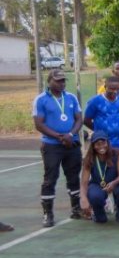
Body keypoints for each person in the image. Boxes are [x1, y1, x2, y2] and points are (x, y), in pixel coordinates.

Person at [32, 69, 83, 227]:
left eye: (63, 80)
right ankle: (48, 213)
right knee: (50, 178)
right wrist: (59, 137)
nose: (62, 83)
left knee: (73, 176)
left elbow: (79, 119)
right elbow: (39, 124)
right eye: (58, 80)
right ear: (49, 82)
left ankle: (76, 208)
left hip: (72, 143)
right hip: (52, 145)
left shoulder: (71, 97)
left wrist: (70, 134)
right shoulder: (41, 99)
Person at [79, 131, 119, 223]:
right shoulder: (89, 158)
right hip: (98, 184)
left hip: (116, 182)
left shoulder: (117, 154)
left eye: (103, 143)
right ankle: (99, 215)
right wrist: (83, 198)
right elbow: (84, 182)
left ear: (108, 143)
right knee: (94, 195)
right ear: (93, 146)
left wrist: (114, 183)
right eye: (97, 144)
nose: (101, 146)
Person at [84, 76, 119, 157]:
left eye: (118, 89)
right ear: (105, 87)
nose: (115, 91)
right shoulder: (95, 101)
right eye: (112, 89)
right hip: (102, 144)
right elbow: (86, 120)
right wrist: (99, 131)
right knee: (103, 163)